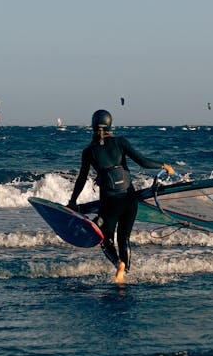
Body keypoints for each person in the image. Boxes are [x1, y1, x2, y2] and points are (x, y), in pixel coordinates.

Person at [68, 109, 174, 283]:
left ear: (93, 126)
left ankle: (118, 264)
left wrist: (72, 201)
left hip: (110, 203)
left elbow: (81, 179)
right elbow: (143, 162)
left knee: (104, 239)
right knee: (123, 239)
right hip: (129, 200)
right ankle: (126, 274)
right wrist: (164, 165)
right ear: (110, 125)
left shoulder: (89, 151)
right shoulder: (121, 142)